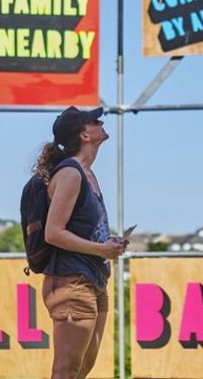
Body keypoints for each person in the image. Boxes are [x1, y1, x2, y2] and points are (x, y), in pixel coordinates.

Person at [33, 106, 126, 379]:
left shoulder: (87, 174)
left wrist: (108, 244)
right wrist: (102, 249)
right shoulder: (71, 173)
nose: (101, 122)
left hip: (91, 278)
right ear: (84, 134)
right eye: (95, 121)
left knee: (81, 368)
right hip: (72, 281)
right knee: (66, 370)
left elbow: (78, 230)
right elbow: (53, 232)